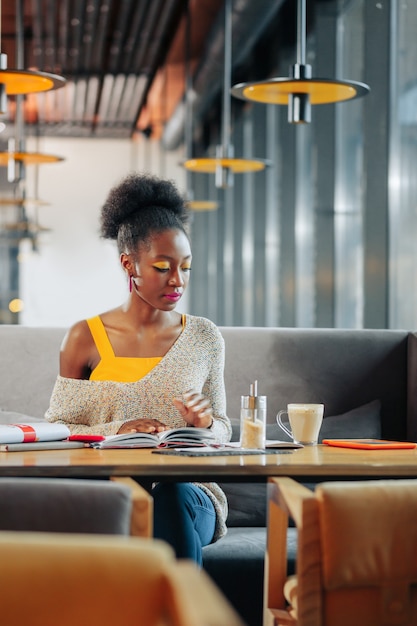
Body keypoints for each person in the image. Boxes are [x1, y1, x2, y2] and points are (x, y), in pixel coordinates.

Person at [45, 172, 232, 564]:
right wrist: (118, 429)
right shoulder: (84, 337)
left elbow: (225, 428)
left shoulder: (204, 337)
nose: (178, 280)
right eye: (163, 266)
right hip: (110, 488)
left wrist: (207, 425)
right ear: (129, 263)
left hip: (189, 494)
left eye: (186, 266)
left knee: (169, 495)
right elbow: (59, 432)